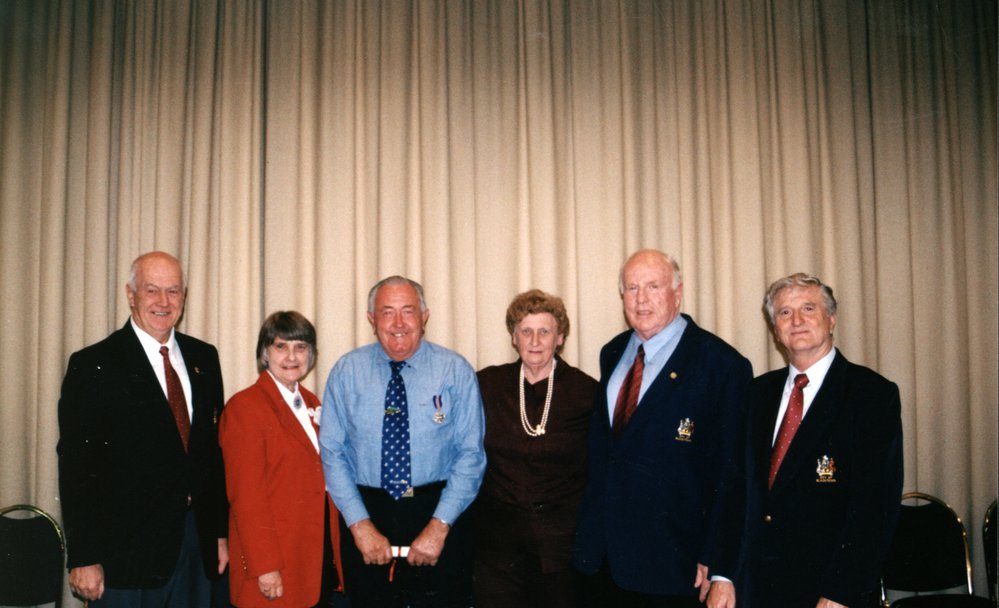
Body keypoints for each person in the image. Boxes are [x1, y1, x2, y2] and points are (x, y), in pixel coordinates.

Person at [706, 273, 903, 608]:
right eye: (784, 313)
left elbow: (875, 507)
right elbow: (734, 488)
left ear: (831, 319)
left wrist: (841, 591)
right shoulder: (757, 394)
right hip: (754, 589)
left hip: (827, 593)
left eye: (808, 309)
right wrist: (723, 575)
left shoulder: (870, 395)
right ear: (775, 329)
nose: (796, 320)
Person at [572, 249, 753, 607]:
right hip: (604, 562)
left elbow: (734, 476)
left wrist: (720, 564)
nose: (641, 299)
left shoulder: (722, 365)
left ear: (678, 292)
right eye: (632, 288)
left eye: (653, 286)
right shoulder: (613, 353)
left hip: (676, 567)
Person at [57, 251, 229, 606]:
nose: (163, 302)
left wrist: (219, 534)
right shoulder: (94, 365)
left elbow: (212, 456)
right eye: (152, 290)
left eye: (173, 291)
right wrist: (84, 556)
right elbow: (76, 468)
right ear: (130, 294)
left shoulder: (204, 358)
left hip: (195, 547)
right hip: (126, 557)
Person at [319, 275, 485, 608]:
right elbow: (332, 453)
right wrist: (359, 525)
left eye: (408, 311)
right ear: (371, 319)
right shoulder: (346, 372)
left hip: (439, 510)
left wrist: (439, 527)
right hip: (367, 511)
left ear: (424, 316)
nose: (398, 323)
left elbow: (471, 455)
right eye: (387, 312)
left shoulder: (455, 371)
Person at [474, 289, 599, 608]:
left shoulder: (585, 392)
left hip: (559, 549)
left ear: (560, 338)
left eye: (545, 331)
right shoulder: (487, 385)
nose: (535, 340)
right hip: (497, 551)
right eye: (526, 331)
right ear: (513, 337)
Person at [219, 311, 345, 607]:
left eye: (300, 347)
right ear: (264, 353)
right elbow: (246, 496)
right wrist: (265, 567)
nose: (291, 356)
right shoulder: (245, 407)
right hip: (274, 563)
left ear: (311, 355)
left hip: (311, 555)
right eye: (280, 346)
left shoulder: (312, 402)